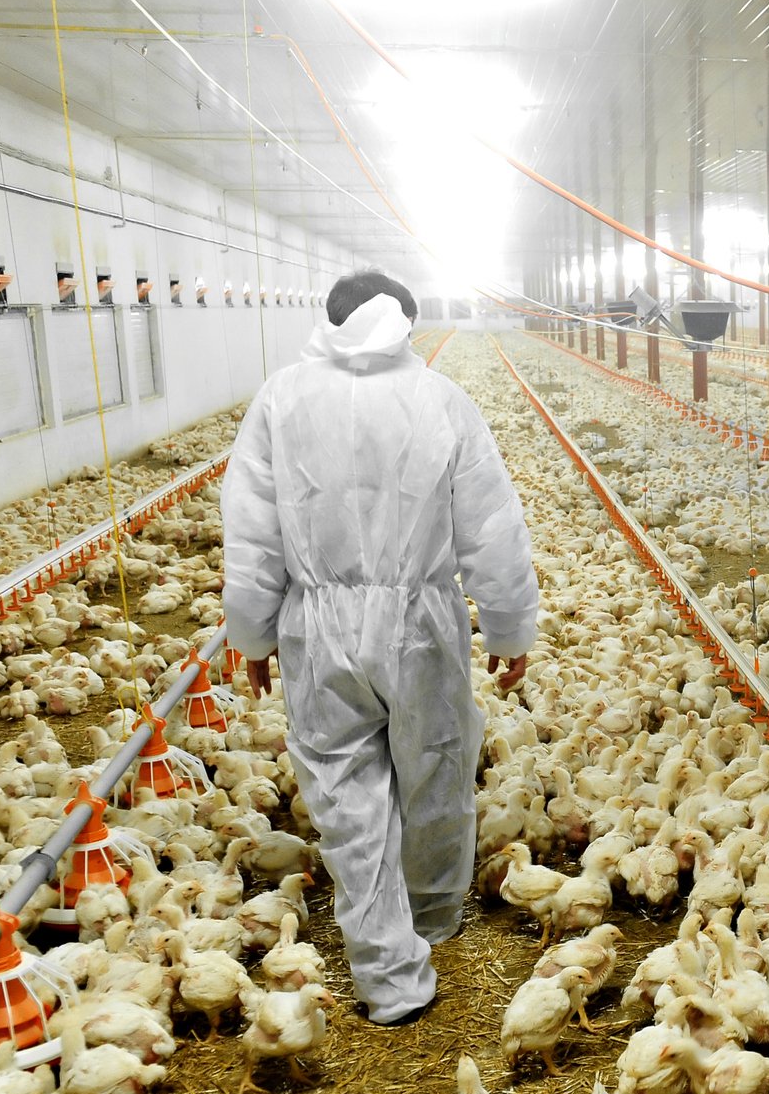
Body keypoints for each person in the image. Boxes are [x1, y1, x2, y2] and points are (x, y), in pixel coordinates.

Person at [222, 272, 539, 1025]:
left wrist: (252, 632)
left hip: (319, 623)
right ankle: (433, 912)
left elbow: (252, 530)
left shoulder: (281, 399)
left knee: (342, 791)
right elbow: (490, 523)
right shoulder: (440, 399)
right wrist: (508, 625)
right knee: (436, 765)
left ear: (328, 320)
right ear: (408, 321)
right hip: (421, 620)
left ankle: (390, 976)